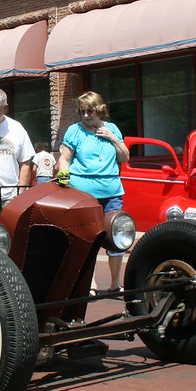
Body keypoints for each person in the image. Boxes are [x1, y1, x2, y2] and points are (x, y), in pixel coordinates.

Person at [55, 91, 129, 293]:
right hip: (83, 193)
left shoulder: (112, 129)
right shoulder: (74, 131)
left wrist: (113, 138)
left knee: (115, 238)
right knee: (89, 238)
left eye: (90, 111)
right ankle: (91, 284)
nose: (86, 116)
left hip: (112, 192)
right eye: (82, 112)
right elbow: (64, 160)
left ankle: (115, 283)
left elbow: (125, 157)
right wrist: (64, 184)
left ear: (100, 111)